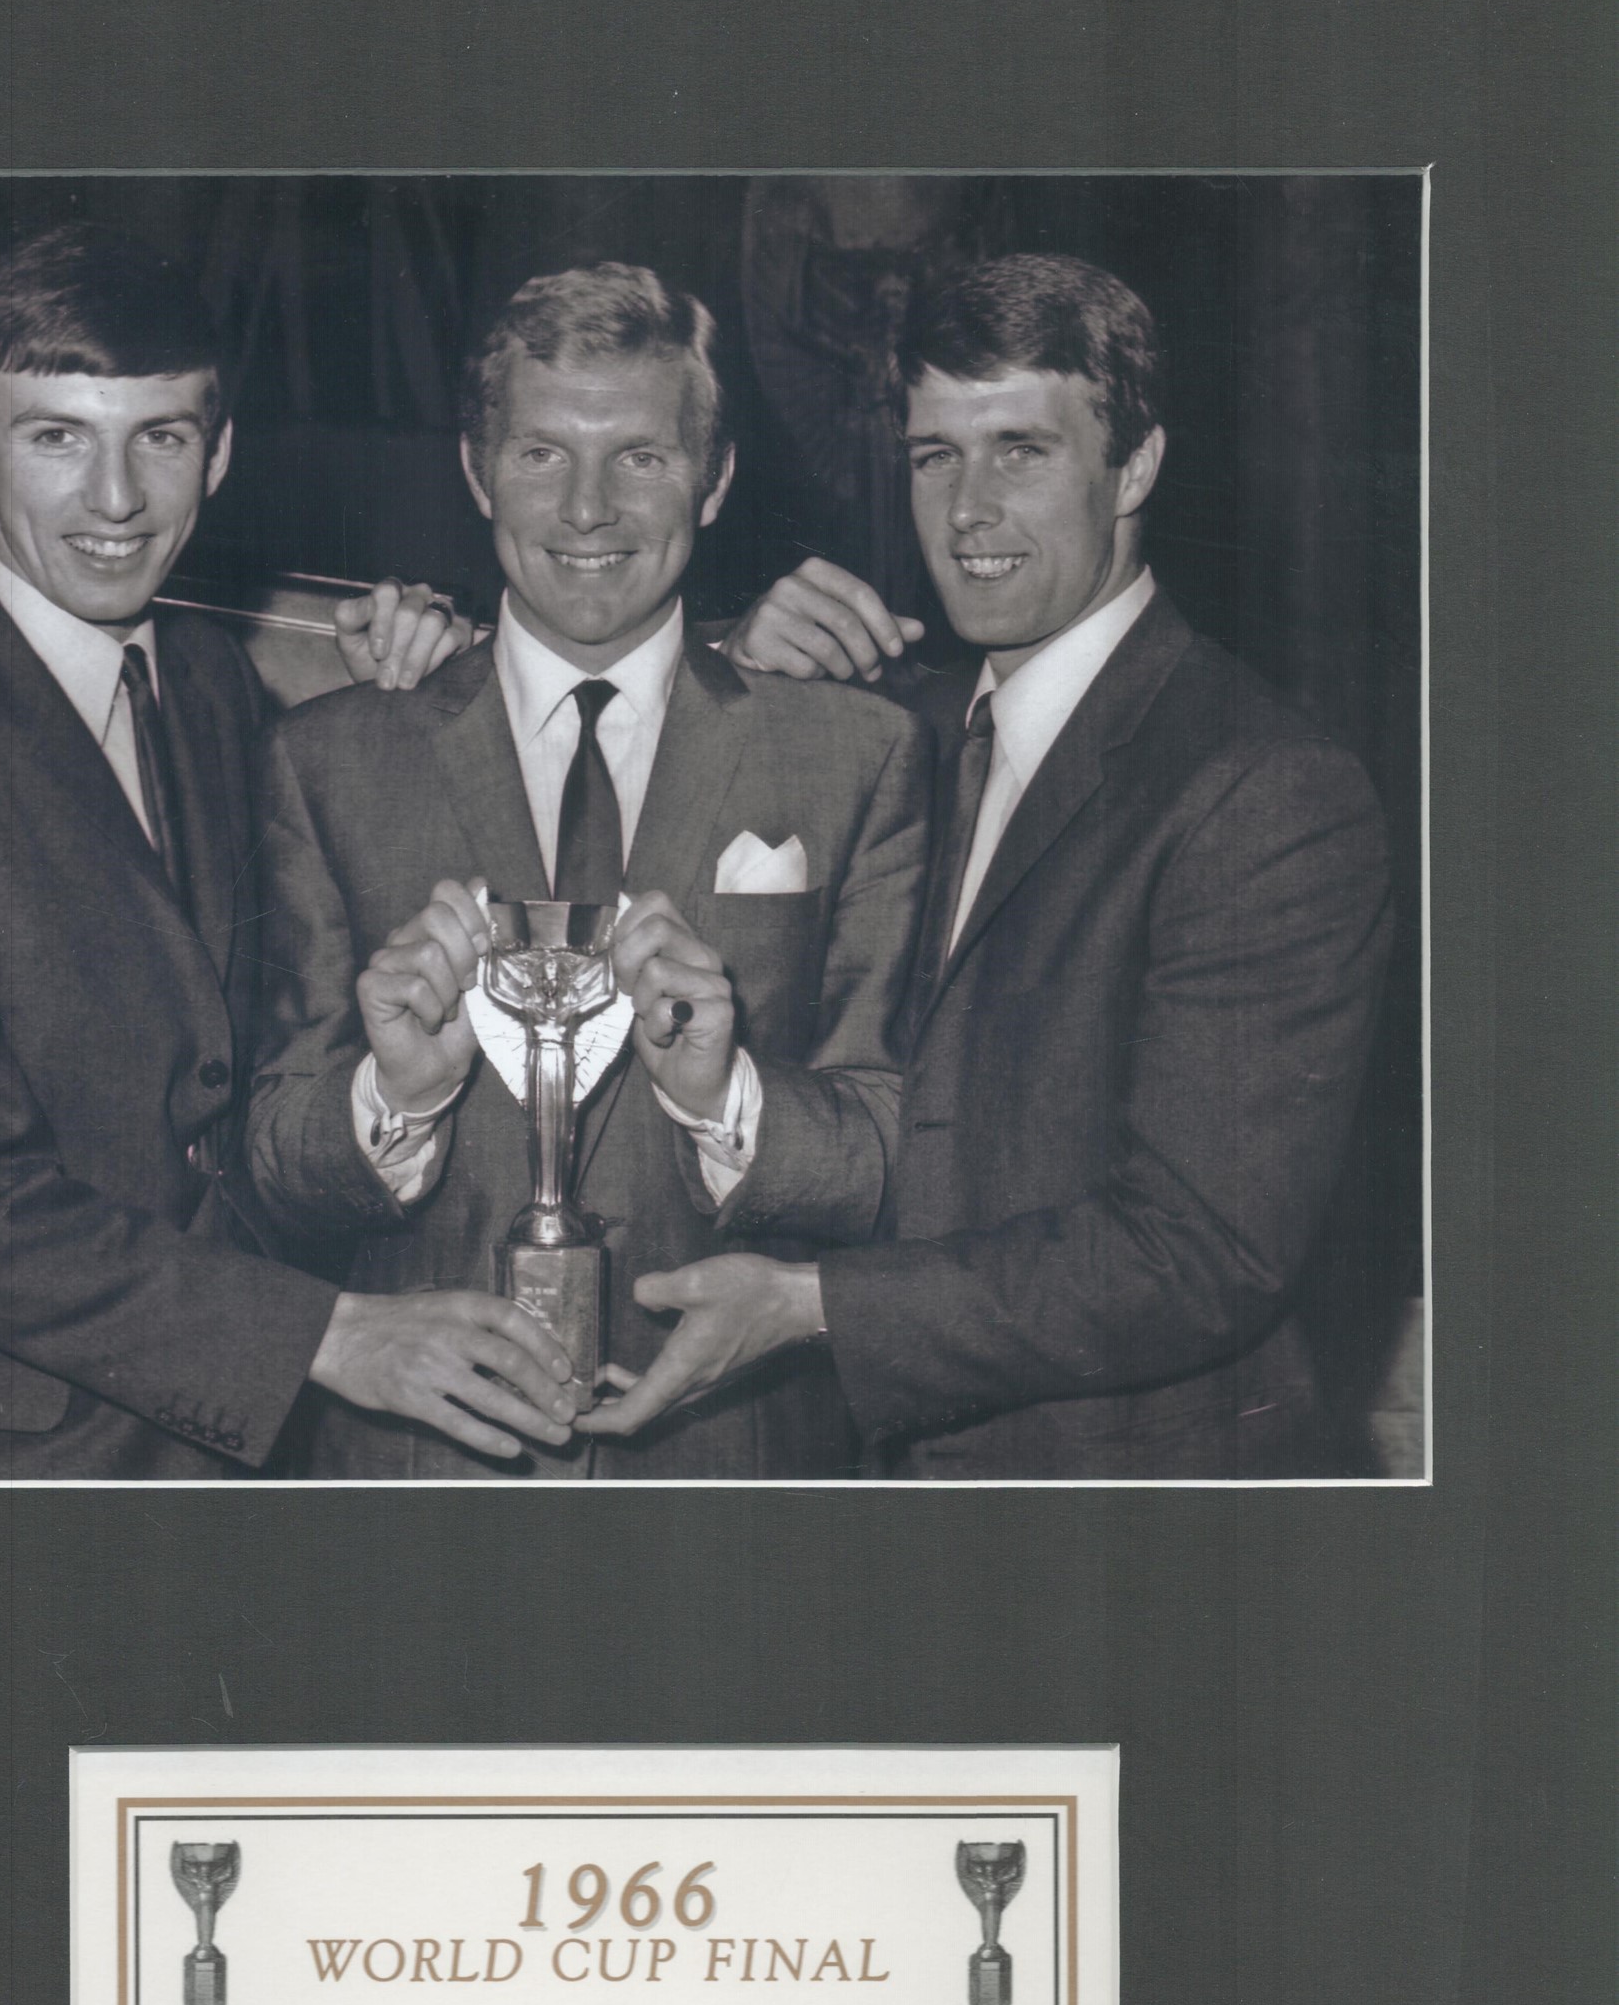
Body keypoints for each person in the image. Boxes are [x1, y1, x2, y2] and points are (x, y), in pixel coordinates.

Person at [0, 223, 578, 1480]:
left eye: (162, 436)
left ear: (221, 453)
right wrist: (330, 1334)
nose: (116, 499)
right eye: (56, 436)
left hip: (198, 1451)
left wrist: (411, 701)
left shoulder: (205, 682)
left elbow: (224, 1070)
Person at [583, 252, 1394, 1479]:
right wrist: (729, 654)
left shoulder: (1264, 787)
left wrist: (814, 1306)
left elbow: (1200, 1250)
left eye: (1021, 449)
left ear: (1137, 466)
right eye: (934, 456)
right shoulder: (899, 722)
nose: (967, 508)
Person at [247, 263, 927, 1479]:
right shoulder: (330, 757)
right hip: (417, 1478)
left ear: (714, 480)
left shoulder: (852, 749)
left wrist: (730, 1098)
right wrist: (390, 1098)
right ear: (475, 468)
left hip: (734, 1469)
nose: (588, 510)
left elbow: (894, 1151)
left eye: (644, 458)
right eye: (542, 455)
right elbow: (270, 1162)